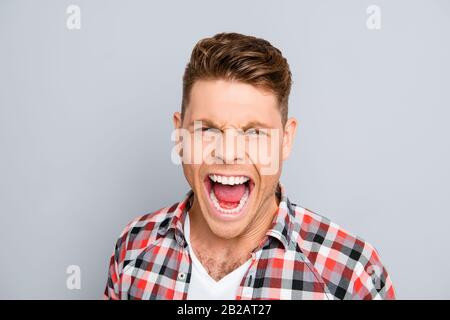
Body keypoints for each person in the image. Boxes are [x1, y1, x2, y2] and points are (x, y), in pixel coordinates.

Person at [104, 32, 395, 300]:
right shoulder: (133, 247)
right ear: (180, 136)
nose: (229, 154)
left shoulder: (352, 274)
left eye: (254, 132)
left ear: (285, 139)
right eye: (207, 129)